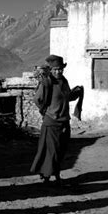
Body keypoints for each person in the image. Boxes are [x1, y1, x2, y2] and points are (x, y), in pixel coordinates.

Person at [30, 55, 84, 185]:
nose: (58, 72)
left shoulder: (64, 82)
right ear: (51, 70)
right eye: (55, 69)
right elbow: (37, 99)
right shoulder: (47, 83)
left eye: (60, 69)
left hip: (64, 120)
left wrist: (76, 92)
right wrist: (46, 110)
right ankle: (47, 177)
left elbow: (66, 97)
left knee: (61, 149)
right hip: (52, 122)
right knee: (51, 151)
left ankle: (57, 174)